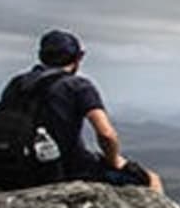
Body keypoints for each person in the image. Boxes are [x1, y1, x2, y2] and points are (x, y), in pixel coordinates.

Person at [19, 29, 163, 191]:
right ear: (79, 57)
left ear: (41, 56)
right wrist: (115, 161)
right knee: (151, 179)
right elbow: (106, 134)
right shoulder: (78, 86)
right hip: (66, 170)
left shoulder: (17, 84)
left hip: (17, 169)